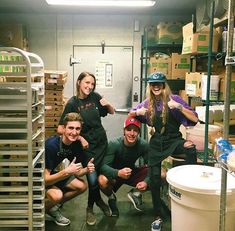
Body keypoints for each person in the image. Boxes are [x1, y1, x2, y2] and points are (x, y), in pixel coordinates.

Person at [129, 72, 198, 228]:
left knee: (190, 149)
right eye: (153, 84)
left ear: (164, 85)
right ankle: (158, 215)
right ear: (150, 87)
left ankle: (188, 188)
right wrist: (136, 113)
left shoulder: (175, 100)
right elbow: (131, 113)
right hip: (157, 142)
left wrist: (179, 107)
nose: (156, 86)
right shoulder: (147, 103)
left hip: (174, 139)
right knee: (153, 180)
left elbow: (194, 118)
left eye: (159, 83)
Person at [57, 71, 115, 225]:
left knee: (102, 177)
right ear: (79, 82)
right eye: (87, 83)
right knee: (92, 179)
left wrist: (108, 104)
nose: (90, 86)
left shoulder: (95, 97)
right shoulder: (72, 103)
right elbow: (60, 129)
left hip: (102, 143)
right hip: (87, 147)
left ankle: (94, 205)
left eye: (92, 84)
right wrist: (80, 137)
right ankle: (94, 206)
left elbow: (111, 111)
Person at [45, 112, 95, 226]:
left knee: (82, 186)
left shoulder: (75, 144)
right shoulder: (51, 146)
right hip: (37, 178)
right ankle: (37, 210)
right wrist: (66, 172)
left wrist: (87, 169)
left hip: (54, 174)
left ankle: (51, 208)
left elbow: (78, 173)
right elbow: (45, 179)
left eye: (77, 129)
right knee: (57, 196)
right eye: (71, 128)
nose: (74, 132)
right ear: (63, 128)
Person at [98, 116, 149, 217]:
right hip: (115, 174)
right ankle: (111, 197)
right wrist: (118, 173)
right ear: (124, 131)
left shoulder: (143, 145)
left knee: (162, 174)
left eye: (135, 130)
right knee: (102, 180)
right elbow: (103, 166)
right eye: (129, 130)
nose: (131, 133)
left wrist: (146, 182)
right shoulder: (114, 144)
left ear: (138, 132)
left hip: (131, 172)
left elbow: (152, 166)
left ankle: (135, 192)